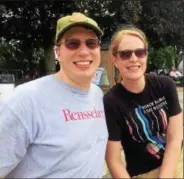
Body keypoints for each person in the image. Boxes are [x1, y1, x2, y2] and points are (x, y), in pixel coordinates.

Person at [0, 12, 108, 178]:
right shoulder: (26, 100)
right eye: (73, 44)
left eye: (91, 43)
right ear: (58, 52)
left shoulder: (98, 95)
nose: (84, 51)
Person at [103, 25, 183, 178]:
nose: (134, 58)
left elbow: (174, 139)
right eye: (125, 54)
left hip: (175, 161)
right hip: (143, 173)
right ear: (114, 59)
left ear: (146, 55)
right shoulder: (111, 102)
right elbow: (113, 159)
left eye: (140, 52)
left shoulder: (165, 85)